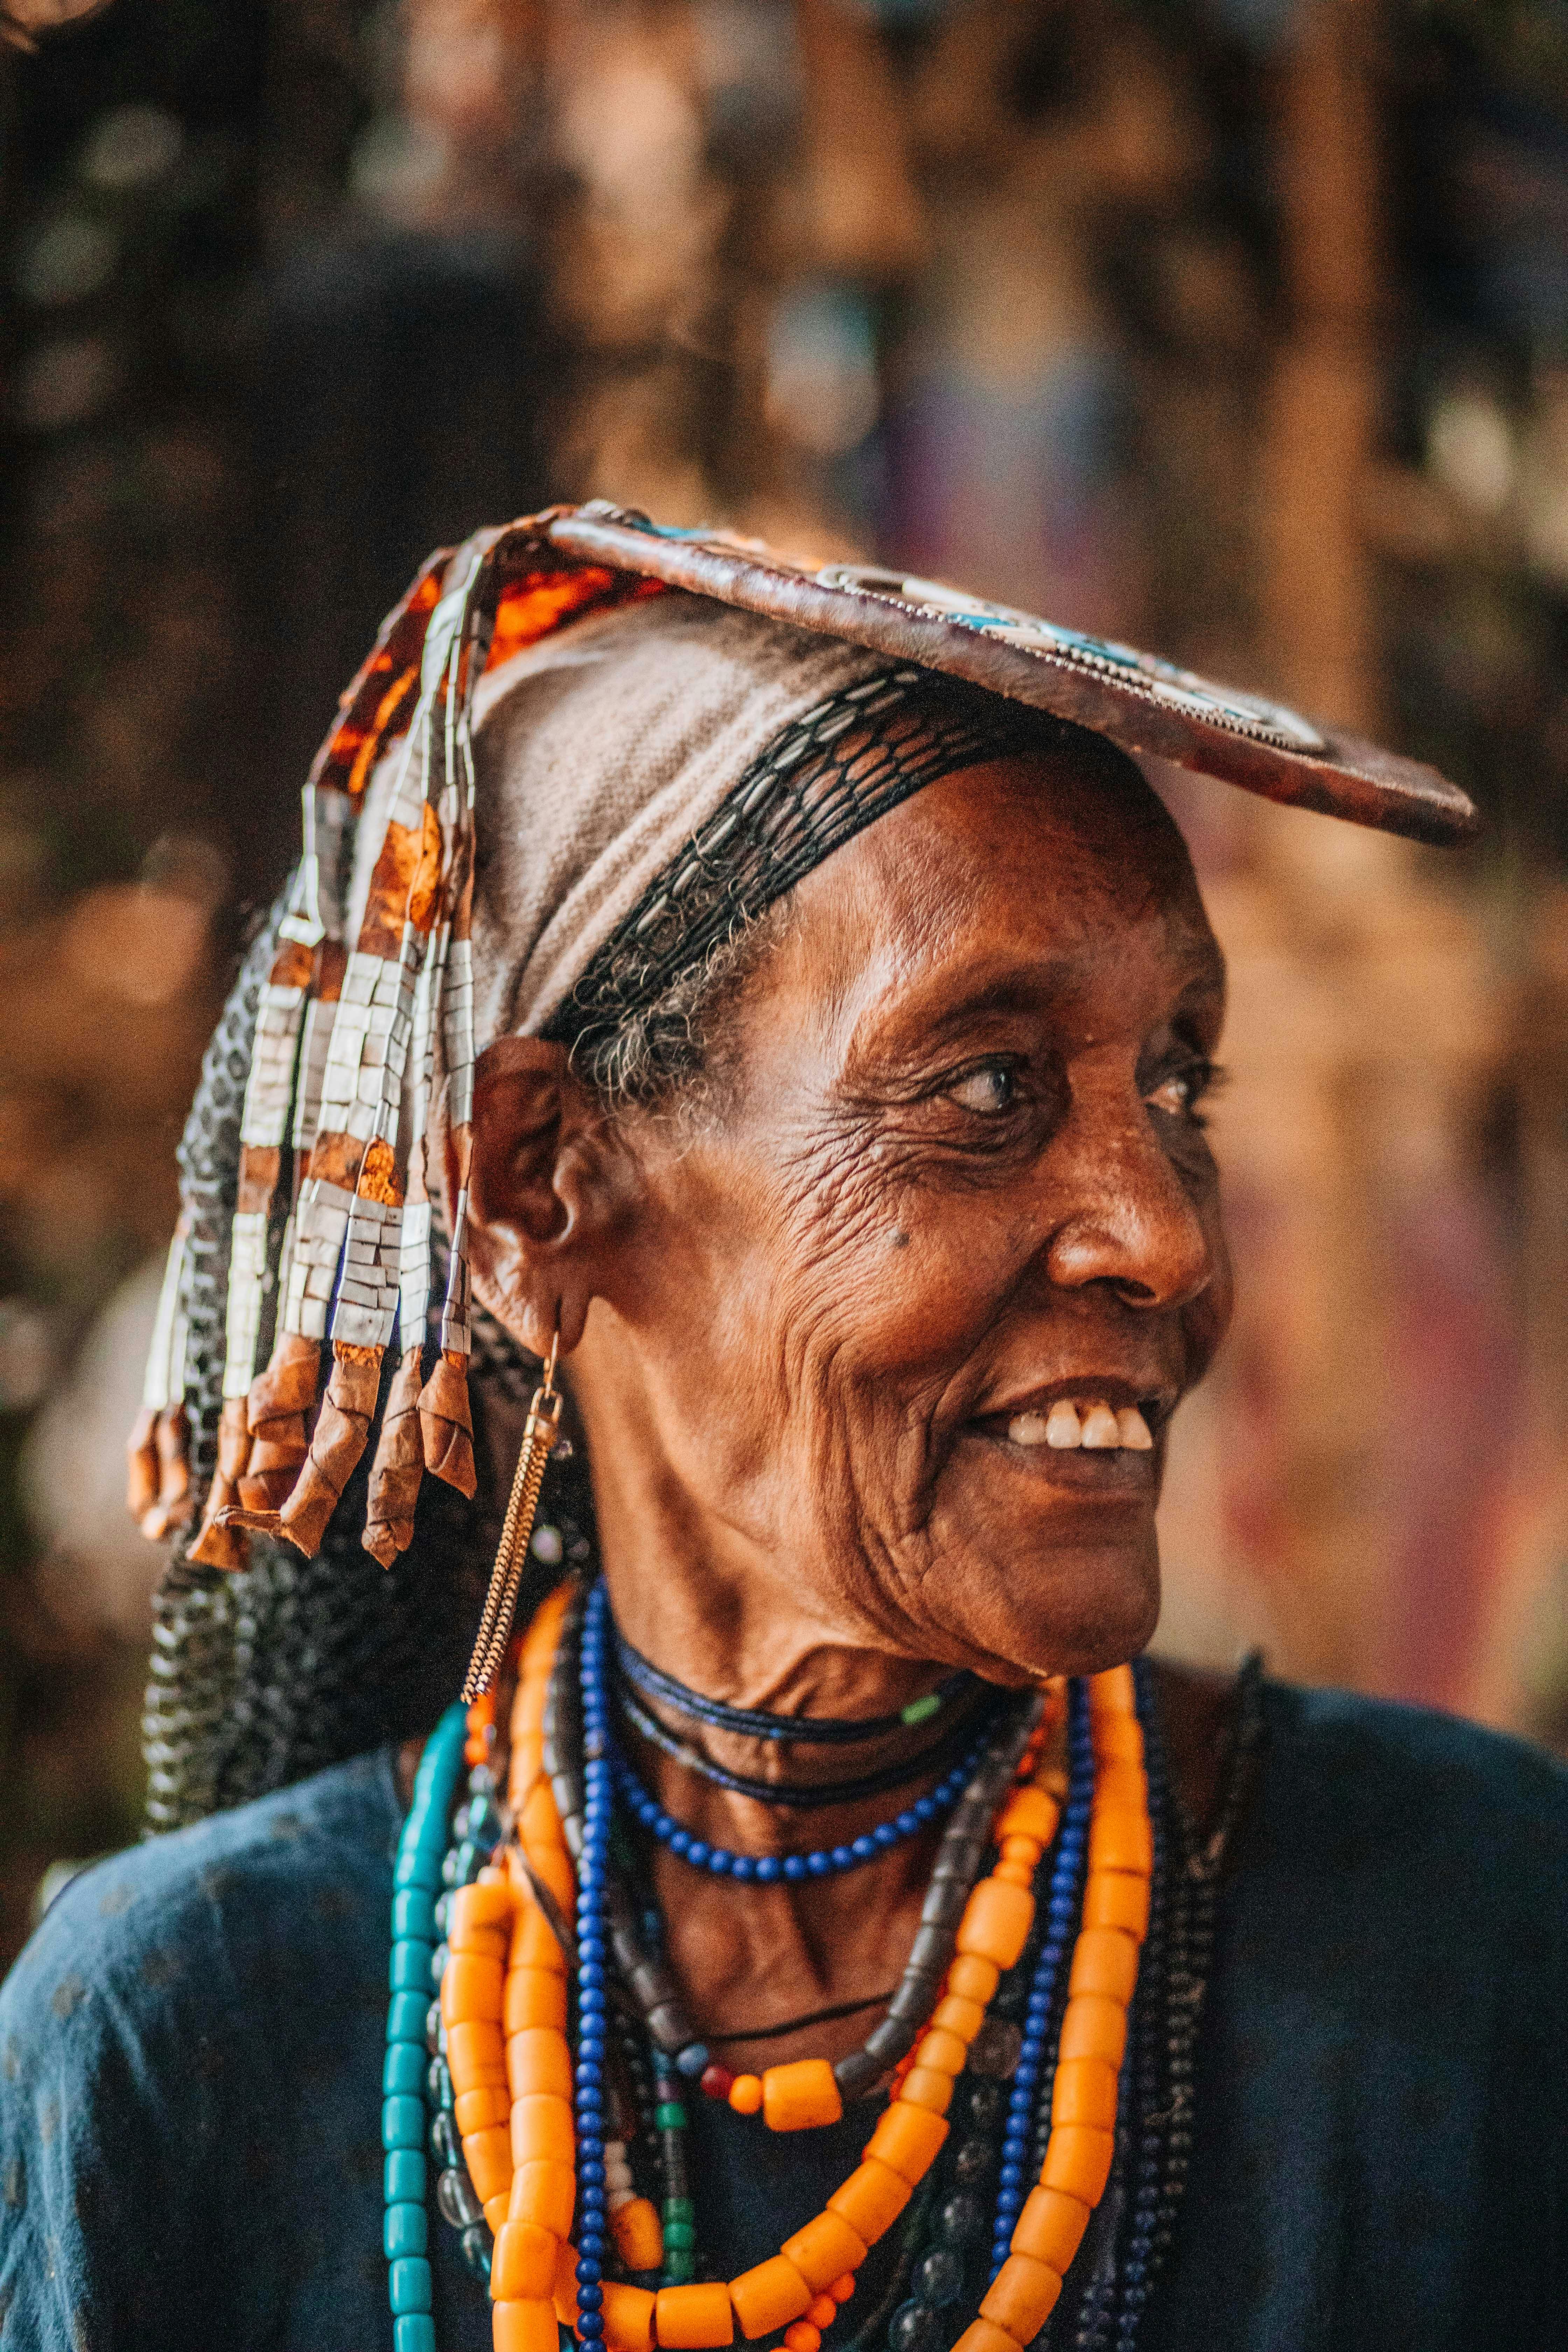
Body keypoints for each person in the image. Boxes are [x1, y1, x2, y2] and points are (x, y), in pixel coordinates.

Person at [0, 508, 1561, 2352]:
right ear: (545, 1181)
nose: (1169, 1234)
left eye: (1177, 1084)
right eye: (988, 1087)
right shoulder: (187, 2028)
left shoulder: (1473, 1926)